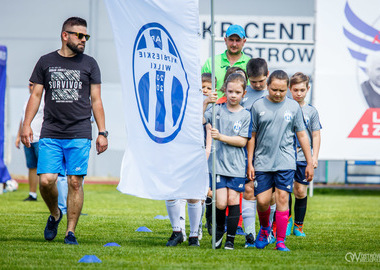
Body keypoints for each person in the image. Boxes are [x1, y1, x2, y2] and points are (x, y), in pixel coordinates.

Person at [21, 17, 108, 245]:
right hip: (51, 132)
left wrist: (103, 132)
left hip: (80, 133)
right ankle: (55, 214)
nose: (83, 40)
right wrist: (26, 124)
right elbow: (36, 96)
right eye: (79, 36)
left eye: (86, 37)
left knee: (75, 182)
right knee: (46, 181)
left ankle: (70, 232)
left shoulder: (90, 64)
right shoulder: (45, 61)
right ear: (65, 35)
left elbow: (96, 101)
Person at [247, 70, 314, 252]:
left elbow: (302, 135)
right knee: (262, 201)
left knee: (283, 198)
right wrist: (250, 162)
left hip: (286, 161)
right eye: (274, 89)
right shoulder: (258, 106)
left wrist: (309, 162)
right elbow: (251, 136)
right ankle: (265, 229)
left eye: (282, 90)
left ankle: (280, 241)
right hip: (262, 161)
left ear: (287, 89)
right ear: (268, 86)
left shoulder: (293, 108)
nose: (278, 94)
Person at [203, 73, 251, 250]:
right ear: (225, 90)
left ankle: (230, 239)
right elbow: (199, 120)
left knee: (233, 200)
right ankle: (218, 233)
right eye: (230, 91)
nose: (233, 95)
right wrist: (206, 102)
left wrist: (221, 136)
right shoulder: (217, 109)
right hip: (218, 165)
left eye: (237, 92)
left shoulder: (245, 115)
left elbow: (242, 141)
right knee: (220, 202)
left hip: (236, 166)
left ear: (243, 93)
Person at [288, 72, 321, 237]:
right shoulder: (284, 107)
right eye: (295, 90)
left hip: (303, 158)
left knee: (300, 191)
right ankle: (285, 221)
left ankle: (298, 226)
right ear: (290, 89)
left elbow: (315, 135)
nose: (298, 93)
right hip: (285, 156)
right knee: (284, 190)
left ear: (307, 89)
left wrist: (314, 157)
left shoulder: (311, 112)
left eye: (302, 89)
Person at [240, 58, 269, 248]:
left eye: (261, 81)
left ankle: (269, 231)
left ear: (267, 75)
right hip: (245, 151)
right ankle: (250, 236)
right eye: (253, 81)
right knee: (249, 189)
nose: (257, 85)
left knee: (270, 195)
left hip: (269, 151)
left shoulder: (276, 93)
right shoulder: (242, 94)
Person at [201, 25, 250, 98]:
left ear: (244, 41)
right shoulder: (211, 62)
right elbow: (198, 88)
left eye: (237, 40)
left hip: (240, 108)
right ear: (225, 40)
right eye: (231, 40)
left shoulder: (250, 64)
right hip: (213, 108)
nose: (234, 44)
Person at [15, 82, 44, 201]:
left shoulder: (44, 100)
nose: (29, 87)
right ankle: (32, 194)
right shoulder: (28, 100)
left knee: (44, 168)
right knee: (32, 167)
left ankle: (47, 195)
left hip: (40, 138)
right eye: (29, 84)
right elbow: (22, 119)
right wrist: (18, 136)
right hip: (28, 138)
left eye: (32, 85)